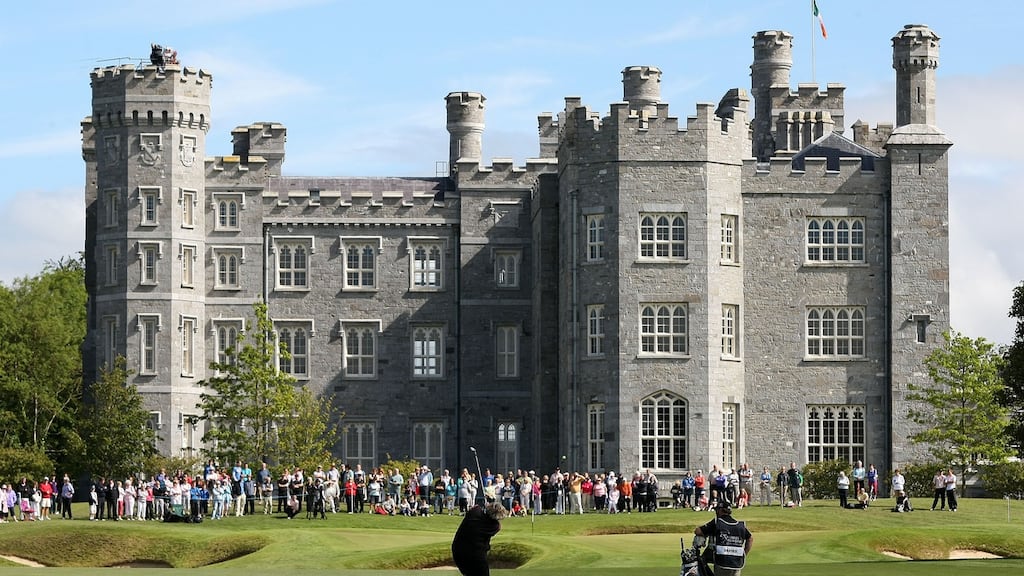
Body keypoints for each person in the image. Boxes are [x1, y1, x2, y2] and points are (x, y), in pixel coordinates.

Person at [693, 501, 753, 576]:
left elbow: (698, 531)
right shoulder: (740, 525)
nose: (716, 512)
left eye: (717, 510)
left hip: (722, 562)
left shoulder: (717, 522)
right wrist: (744, 554)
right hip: (737, 563)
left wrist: (708, 533)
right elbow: (750, 538)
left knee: (701, 561)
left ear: (721, 510)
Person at [451, 502, 508, 576]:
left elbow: (476, 507)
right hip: (477, 556)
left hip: (458, 551)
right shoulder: (494, 526)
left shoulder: (474, 511)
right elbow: (499, 526)